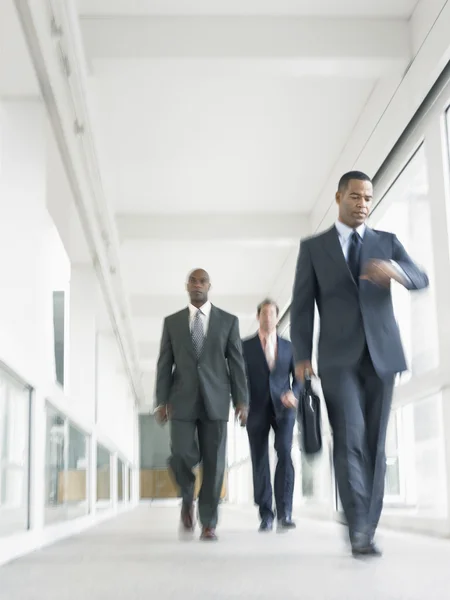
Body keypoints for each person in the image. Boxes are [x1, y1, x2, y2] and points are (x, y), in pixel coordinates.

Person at [290, 171, 429, 557]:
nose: (363, 204)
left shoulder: (387, 243)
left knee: (374, 444)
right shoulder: (314, 248)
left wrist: (395, 272)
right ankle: (359, 530)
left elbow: (421, 277)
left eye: (368, 198)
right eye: (355, 197)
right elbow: (302, 308)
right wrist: (302, 358)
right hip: (336, 360)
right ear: (339, 197)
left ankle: (367, 520)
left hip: (382, 357)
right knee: (349, 437)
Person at [154, 268, 248, 541]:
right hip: (181, 399)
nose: (197, 285)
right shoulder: (172, 322)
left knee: (215, 462)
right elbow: (163, 365)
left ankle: (208, 522)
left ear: (209, 286)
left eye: (202, 281)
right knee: (180, 454)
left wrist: (242, 400)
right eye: (193, 281)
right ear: (186, 286)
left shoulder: (228, 321)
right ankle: (187, 495)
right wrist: (161, 401)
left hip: (216, 400)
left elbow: (237, 363)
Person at [242, 299, 300, 532]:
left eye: (272, 314)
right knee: (259, 460)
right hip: (255, 408)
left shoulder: (289, 347)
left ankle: (285, 512)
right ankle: (266, 513)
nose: (269, 318)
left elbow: (299, 377)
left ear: (277, 318)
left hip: (284, 408)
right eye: (264, 314)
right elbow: (239, 378)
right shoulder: (244, 346)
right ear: (258, 317)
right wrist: (241, 403)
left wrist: (293, 393)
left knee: (284, 452)